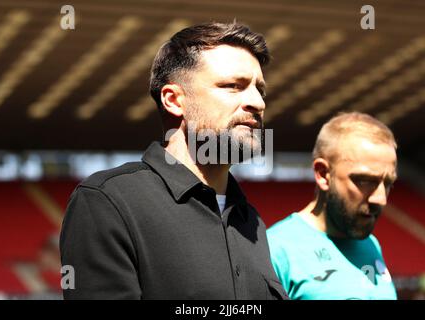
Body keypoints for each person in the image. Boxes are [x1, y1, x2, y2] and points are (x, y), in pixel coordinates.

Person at [60, 22, 288, 300]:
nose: (257, 102)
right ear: (173, 100)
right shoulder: (108, 202)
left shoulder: (251, 220)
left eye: (260, 90)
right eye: (233, 86)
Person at [268, 112, 398, 300]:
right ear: (323, 174)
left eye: (387, 184)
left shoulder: (371, 244)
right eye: (365, 181)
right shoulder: (276, 251)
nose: (380, 199)